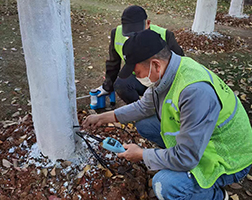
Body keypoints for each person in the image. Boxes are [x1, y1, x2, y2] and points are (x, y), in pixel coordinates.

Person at [83, 30, 252, 200]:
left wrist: (143, 155)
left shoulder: (194, 91)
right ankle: (174, 161)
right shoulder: (169, 70)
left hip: (229, 158)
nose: (137, 77)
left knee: (165, 185)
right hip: (202, 141)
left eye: (137, 72)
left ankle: (215, 195)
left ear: (156, 64)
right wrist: (102, 118)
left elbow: (187, 157)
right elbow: (143, 107)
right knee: (144, 124)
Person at [95, 5, 184, 105]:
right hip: (138, 77)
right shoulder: (116, 34)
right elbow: (113, 63)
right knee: (121, 84)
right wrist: (107, 86)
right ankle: (140, 108)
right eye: (129, 34)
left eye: (137, 32)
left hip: (161, 79)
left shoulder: (165, 35)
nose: (133, 37)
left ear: (148, 23)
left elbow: (179, 62)